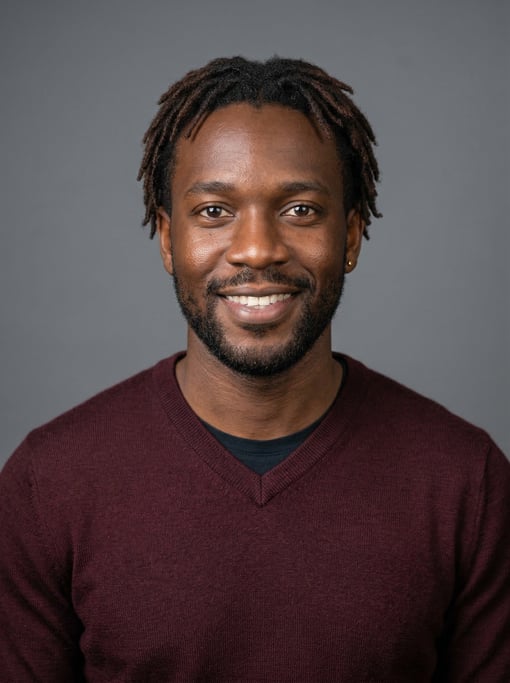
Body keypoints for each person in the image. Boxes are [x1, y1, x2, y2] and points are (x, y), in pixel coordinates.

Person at [0, 56, 509, 682]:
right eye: (214, 211)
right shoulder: (47, 484)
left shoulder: (467, 482)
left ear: (350, 236)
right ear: (167, 238)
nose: (257, 249)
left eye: (300, 210)